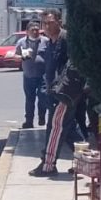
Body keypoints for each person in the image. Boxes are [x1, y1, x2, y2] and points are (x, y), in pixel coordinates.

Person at [29, 9, 83, 177]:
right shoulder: (50, 42)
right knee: (69, 130)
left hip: (64, 93)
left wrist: (63, 88)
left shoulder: (65, 39)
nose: (45, 26)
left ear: (59, 22)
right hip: (54, 92)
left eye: (49, 22)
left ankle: (48, 164)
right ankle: (85, 162)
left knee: (55, 127)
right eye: (43, 23)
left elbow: (76, 64)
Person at [15, 21, 48, 128]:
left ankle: (42, 116)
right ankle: (29, 121)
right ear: (27, 31)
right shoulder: (21, 42)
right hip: (28, 75)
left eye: (36, 29)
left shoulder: (45, 41)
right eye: (32, 30)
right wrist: (22, 57)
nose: (35, 31)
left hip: (43, 75)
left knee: (43, 95)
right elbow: (16, 55)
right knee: (30, 99)